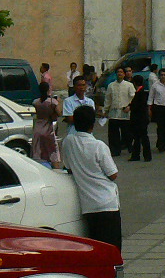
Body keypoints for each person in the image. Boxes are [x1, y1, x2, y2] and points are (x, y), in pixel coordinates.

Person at [59, 106, 122, 250]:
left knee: (95, 247)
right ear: (92, 125)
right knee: (112, 249)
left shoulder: (68, 142)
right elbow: (113, 174)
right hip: (107, 203)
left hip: (88, 206)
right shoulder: (99, 146)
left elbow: (68, 167)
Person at [104, 68, 135, 157]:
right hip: (113, 112)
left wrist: (129, 106)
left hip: (125, 112)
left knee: (127, 132)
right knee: (113, 133)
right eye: (118, 72)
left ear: (124, 74)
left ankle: (129, 146)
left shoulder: (129, 85)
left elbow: (133, 97)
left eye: (121, 72)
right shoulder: (111, 85)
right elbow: (108, 98)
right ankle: (115, 150)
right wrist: (105, 110)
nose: (119, 74)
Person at [31, 81, 62, 168]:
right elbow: (59, 113)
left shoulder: (35, 102)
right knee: (53, 154)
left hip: (37, 128)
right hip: (48, 130)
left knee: (38, 153)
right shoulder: (53, 102)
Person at [128, 74, 151, 161]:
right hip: (141, 119)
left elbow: (138, 106)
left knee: (142, 137)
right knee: (138, 138)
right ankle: (137, 155)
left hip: (139, 119)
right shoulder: (142, 92)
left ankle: (145, 155)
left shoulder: (140, 94)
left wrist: (130, 106)